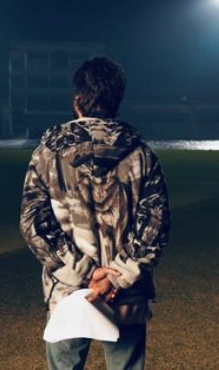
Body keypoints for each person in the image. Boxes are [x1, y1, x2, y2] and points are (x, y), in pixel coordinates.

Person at [19, 57, 171, 370]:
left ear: (78, 100)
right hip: (125, 293)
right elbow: (154, 225)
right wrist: (114, 276)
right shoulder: (142, 155)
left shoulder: (48, 154)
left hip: (69, 292)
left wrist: (84, 274)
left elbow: (34, 223)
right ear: (117, 100)